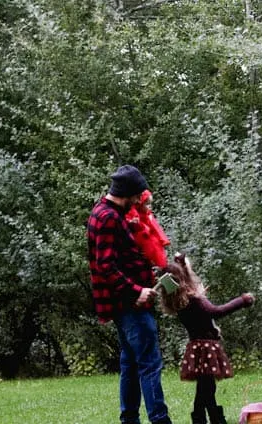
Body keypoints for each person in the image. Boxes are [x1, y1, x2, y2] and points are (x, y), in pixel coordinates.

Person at [87, 164, 173, 424]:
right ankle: (160, 420)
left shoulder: (105, 212)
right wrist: (136, 290)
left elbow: (123, 258)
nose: (139, 200)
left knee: (131, 365)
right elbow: (105, 266)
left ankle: (129, 420)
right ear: (127, 193)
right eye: (137, 195)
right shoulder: (109, 217)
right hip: (129, 305)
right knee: (149, 363)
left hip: (126, 304)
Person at [158, 252, 254, 424]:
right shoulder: (194, 300)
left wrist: (181, 264)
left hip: (197, 347)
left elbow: (183, 279)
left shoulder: (179, 300)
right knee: (207, 387)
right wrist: (242, 301)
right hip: (207, 347)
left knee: (206, 387)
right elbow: (216, 312)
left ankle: (207, 418)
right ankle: (207, 419)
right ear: (181, 280)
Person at [125, 189, 170, 268]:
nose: (150, 206)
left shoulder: (148, 215)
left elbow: (157, 229)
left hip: (156, 247)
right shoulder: (137, 217)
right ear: (140, 204)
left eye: (150, 204)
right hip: (147, 249)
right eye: (147, 204)